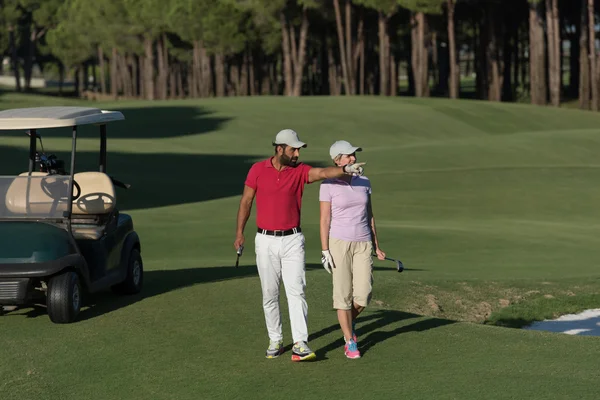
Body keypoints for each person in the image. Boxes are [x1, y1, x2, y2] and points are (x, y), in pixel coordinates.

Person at [234, 129, 365, 362]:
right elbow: (246, 201)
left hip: (293, 239)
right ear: (279, 149)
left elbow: (324, 172)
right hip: (264, 240)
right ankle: (275, 339)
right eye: (293, 149)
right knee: (269, 294)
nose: (296, 153)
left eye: (298, 149)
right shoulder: (257, 170)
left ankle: (300, 343)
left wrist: (345, 169)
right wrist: (239, 233)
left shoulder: (300, 171)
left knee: (296, 291)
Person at [319, 140, 385, 359]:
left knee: (364, 294)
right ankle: (349, 340)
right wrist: (325, 250)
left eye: (354, 155)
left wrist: (376, 244)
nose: (353, 159)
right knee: (342, 295)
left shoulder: (363, 181)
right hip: (339, 242)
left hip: (363, 241)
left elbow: (370, 214)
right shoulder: (328, 184)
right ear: (337, 160)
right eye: (348, 156)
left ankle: (347, 322)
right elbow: (324, 219)